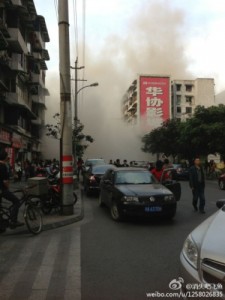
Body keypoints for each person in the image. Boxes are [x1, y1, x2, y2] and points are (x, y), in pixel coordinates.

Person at [0, 149, 24, 227]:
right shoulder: (3, 166)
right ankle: (13, 221)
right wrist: (7, 187)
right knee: (16, 201)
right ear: (5, 157)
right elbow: (5, 181)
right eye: (8, 156)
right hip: (2, 190)